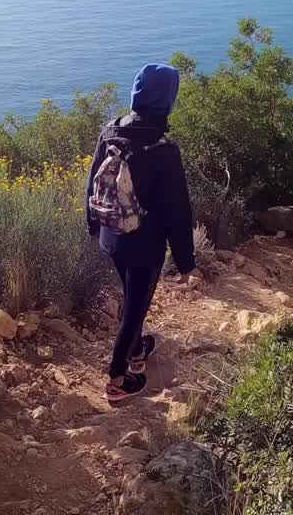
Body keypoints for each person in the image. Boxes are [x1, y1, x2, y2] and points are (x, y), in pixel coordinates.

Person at [86, 63, 197, 401]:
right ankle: (118, 379)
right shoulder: (163, 150)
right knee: (135, 310)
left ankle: (137, 351)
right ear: (167, 100)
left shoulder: (110, 130)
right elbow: (177, 211)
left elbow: (92, 182)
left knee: (130, 298)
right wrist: (186, 261)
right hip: (145, 246)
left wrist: (93, 225)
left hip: (111, 235)